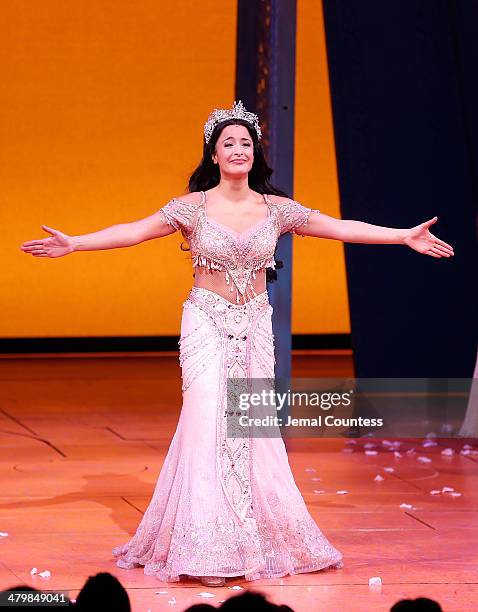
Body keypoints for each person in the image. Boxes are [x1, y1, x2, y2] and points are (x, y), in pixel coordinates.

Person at [20, 101, 454, 588]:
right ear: (214, 153)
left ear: (255, 153)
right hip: (205, 321)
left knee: (252, 430)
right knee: (207, 421)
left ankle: (257, 539)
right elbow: (134, 232)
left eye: (246, 142)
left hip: (254, 326)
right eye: (229, 142)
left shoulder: (276, 209)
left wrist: (402, 237)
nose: (238, 149)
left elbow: (342, 228)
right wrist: (76, 242)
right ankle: (209, 549)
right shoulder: (190, 207)